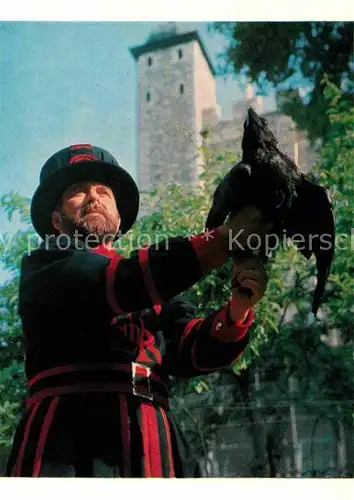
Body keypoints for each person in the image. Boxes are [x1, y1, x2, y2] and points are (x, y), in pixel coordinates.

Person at [5, 143, 270, 477]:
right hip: (67, 440)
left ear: (118, 219)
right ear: (56, 219)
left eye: (104, 191)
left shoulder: (149, 284)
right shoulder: (45, 263)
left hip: (154, 441)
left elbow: (189, 350)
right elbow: (120, 283)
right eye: (77, 191)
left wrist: (238, 309)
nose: (93, 196)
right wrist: (224, 239)